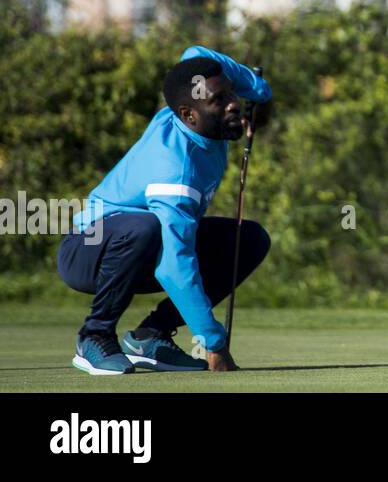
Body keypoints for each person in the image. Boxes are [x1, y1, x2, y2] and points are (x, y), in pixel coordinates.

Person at [56, 46, 272, 375]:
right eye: (220, 100)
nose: (233, 104)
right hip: (86, 249)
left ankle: (150, 336)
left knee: (250, 238)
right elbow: (175, 267)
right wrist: (213, 341)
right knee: (145, 228)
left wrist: (256, 88)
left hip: (140, 246)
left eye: (231, 92)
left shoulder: (197, 107)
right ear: (188, 115)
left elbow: (196, 52)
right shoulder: (175, 172)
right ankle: (94, 336)